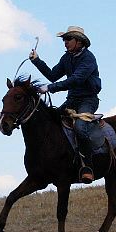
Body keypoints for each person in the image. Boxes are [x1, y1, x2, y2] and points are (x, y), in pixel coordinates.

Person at [29, 26, 102, 183]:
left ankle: (87, 167)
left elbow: (76, 79)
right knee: (51, 121)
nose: (65, 43)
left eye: (68, 39)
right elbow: (53, 75)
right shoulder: (66, 58)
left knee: (80, 128)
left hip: (88, 100)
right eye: (64, 40)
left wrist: (49, 88)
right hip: (72, 101)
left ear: (79, 41)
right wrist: (37, 61)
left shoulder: (89, 58)